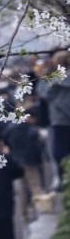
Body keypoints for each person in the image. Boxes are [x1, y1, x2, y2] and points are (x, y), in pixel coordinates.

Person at [48, 52, 70, 188]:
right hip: (61, 121)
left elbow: (60, 102)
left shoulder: (56, 82)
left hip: (61, 122)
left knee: (60, 155)